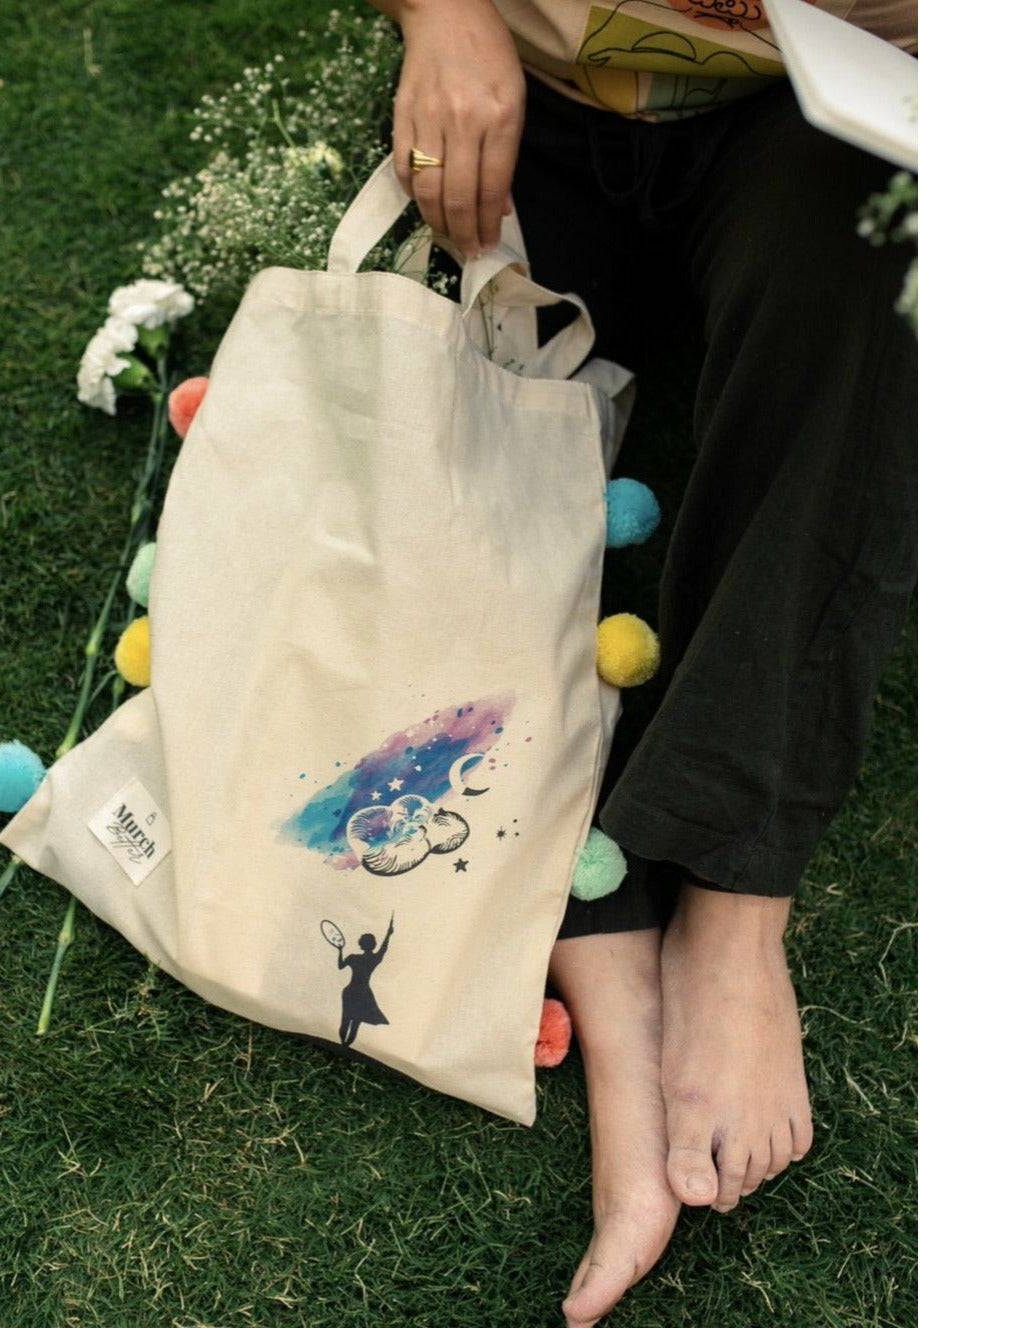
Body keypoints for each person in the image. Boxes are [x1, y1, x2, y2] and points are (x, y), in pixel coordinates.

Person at [364, 3, 917, 1324]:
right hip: (529, 99)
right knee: (410, 462)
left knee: (900, 287)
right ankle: (613, 982)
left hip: (812, 122)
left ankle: (731, 911)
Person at [338, 916, 395, 1047]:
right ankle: (346, 1045)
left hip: (350, 991)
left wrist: (340, 951)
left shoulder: (353, 957)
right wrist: (389, 934)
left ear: (361, 944)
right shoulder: (374, 959)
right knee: (356, 1021)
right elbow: (384, 948)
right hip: (363, 993)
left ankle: (342, 1044)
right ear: (373, 944)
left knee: (345, 1018)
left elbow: (340, 966)